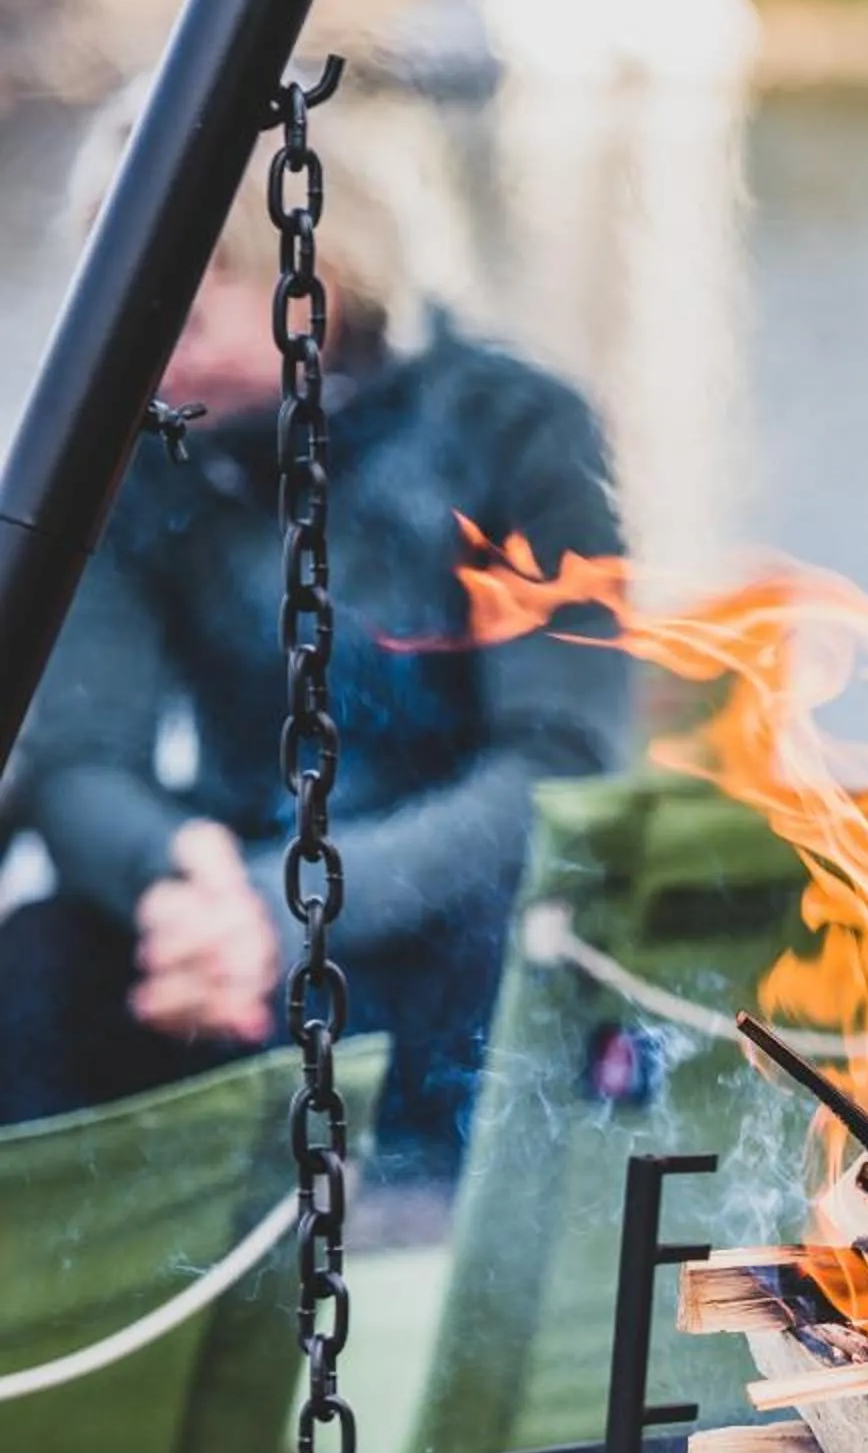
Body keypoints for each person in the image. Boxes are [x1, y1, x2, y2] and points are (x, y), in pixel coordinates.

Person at [0, 85, 629, 1184]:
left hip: (453, 904)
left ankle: (424, 1257)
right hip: (226, 909)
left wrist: (292, 904)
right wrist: (175, 873)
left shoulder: (515, 428)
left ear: (312, 276)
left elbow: (559, 761)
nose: (144, 359)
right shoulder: (139, 453)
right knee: (43, 956)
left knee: (487, 956)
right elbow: (77, 761)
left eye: (179, 318)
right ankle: (70, 1294)